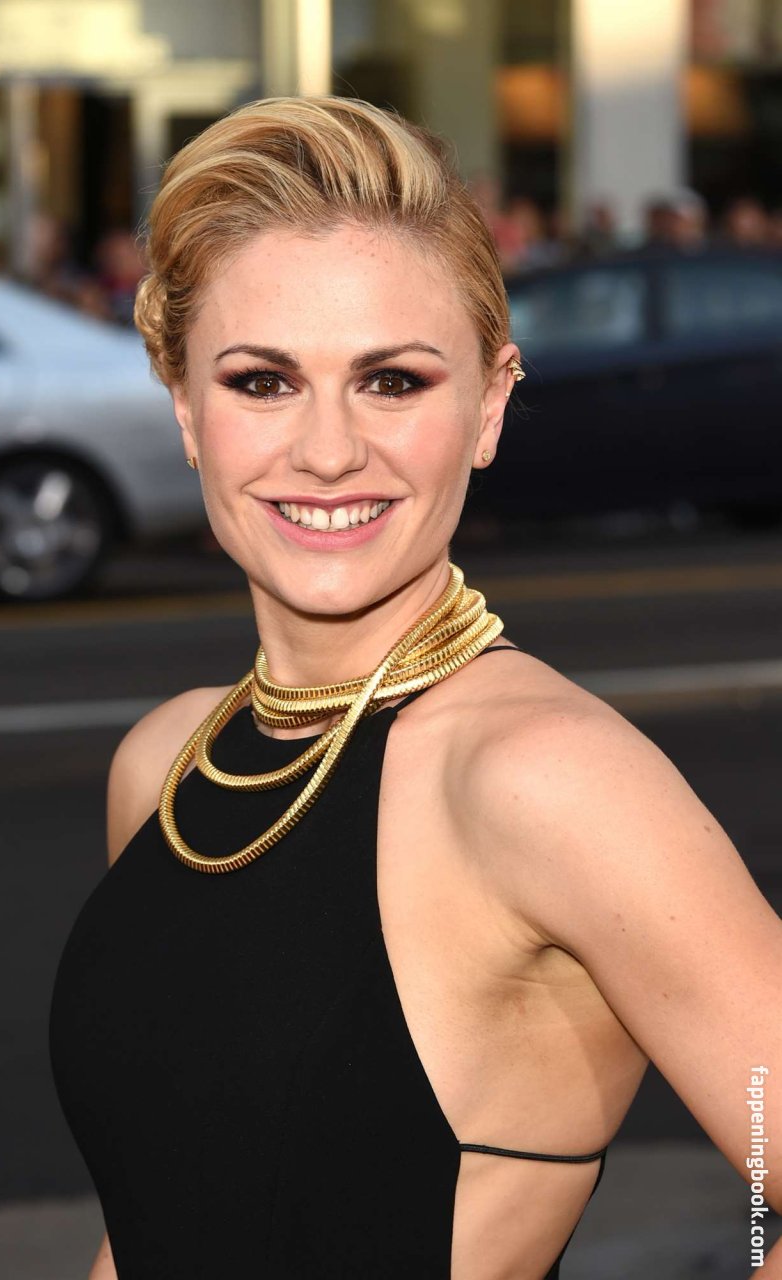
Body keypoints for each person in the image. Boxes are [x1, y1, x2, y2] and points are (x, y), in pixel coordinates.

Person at [48, 96, 781, 1279]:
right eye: (262, 381)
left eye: (391, 380)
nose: (328, 449)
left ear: (489, 405)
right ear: (185, 407)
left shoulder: (543, 777)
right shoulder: (168, 764)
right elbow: (158, 1207)